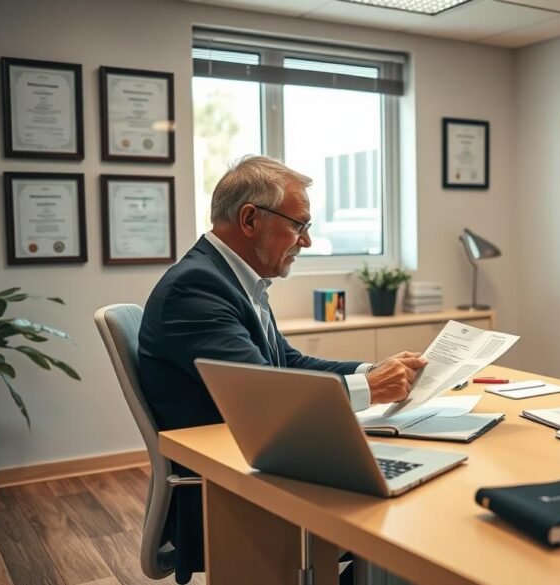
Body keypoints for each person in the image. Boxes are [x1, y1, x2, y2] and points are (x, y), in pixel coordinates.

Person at [138, 155, 426, 581]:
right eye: (299, 225)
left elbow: (286, 362)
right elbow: (264, 396)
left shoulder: (232, 277)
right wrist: (368, 387)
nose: (305, 242)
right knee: (412, 522)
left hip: (261, 465)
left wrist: (372, 370)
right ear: (250, 219)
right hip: (232, 495)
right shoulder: (195, 287)